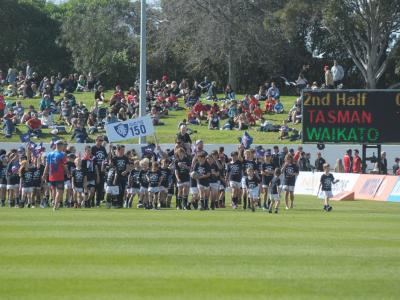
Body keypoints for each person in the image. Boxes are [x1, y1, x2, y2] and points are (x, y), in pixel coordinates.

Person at [42, 140, 68, 211]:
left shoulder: (50, 154)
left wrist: (44, 174)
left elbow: (47, 165)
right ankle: (56, 205)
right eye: (63, 145)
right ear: (60, 146)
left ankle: (54, 203)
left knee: (53, 190)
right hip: (59, 176)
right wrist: (68, 172)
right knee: (59, 191)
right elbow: (64, 165)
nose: (64, 147)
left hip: (51, 176)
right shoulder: (62, 154)